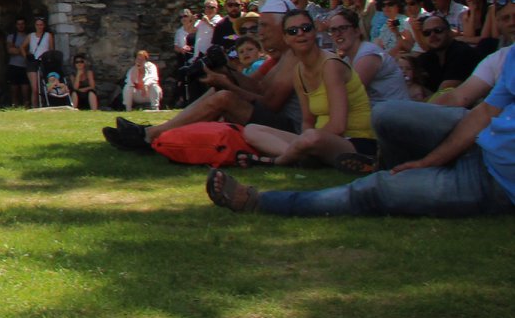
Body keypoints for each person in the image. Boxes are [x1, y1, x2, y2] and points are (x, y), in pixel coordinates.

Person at [206, 76, 515, 218]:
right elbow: (485, 112)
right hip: (481, 142)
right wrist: (432, 159)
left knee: (376, 190)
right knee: (386, 113)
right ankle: (393, 165)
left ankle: (259, 201)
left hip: (496, 182)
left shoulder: (332, 64)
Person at [106, 0, 302, 152]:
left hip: (289, 128)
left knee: (225, 97)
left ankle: (149, 135)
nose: (260, 32)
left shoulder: (293, 57)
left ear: (283, 26)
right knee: (221, 88)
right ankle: (157, 131)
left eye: (265, 26)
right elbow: (256, 86)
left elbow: (270, 104)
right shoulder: (281, 57)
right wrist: (226, 72)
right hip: (278, 120)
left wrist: (228, 83)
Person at [239, 8, 375, 169]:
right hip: (316, 141)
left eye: (306, 28)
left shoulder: (331, 65)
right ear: (286, 38)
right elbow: (308, 120)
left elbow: (338, 126)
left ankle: (280, 160)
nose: (300, 34)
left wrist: (307, 141)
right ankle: (302, 158)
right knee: (251, 130)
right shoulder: (299, 71)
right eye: (292, 31)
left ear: (315, 31)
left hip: (354, 141)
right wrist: (304, 142)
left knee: (311, 137)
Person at [330, 6, 411, 106]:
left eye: (343, 28)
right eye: (333, 30)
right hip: (380, 113)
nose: (338, 34)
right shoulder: (347, 60)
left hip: (397, 114)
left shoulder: (368, 55)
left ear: (357, 31)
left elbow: (346, 96)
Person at [412, 14, 480, 98]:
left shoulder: (463, 53)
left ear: (449, 32)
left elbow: (444, 94)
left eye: (438, 30)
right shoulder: (427, 57)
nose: (432, 35)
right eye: (427, 33)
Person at [26, 17, 55, 105]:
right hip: (33, 62)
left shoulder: (48, 35)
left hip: (44, 62)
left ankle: (46, 103)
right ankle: (35, 106)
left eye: (41, 25)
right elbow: (22, 47)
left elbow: (51, 49)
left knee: (45, 85)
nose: (39, 27)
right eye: (37, 25)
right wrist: (26, 56)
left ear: (44, 26)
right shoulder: (30, 36)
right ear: (35, 26)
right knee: (35, 88)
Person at [5, 18, 32, 107]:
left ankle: (26, 106)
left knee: (26, 89)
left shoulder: (29, 37)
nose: (20, 26)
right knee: (14, 89)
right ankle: (14, 106)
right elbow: (10, 50)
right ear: (16, 25)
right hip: (14, 66)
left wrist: (18, 49)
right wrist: (23, 50)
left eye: (22, 23)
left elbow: (31, 51)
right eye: (18, 24)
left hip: (25, 66)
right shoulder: (11, 37)